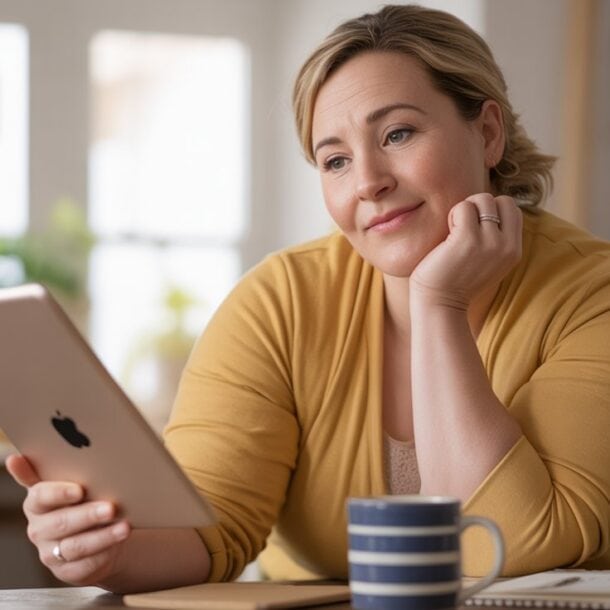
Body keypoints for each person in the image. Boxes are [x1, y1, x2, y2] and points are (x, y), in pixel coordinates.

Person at [6, 3, 610, 594]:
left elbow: (516, 550)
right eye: (336, 160)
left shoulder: (592, 295)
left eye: (398, 133)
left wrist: (438, 307)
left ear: (487, 133)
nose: (369, 181)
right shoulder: (279, 302)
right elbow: (206, 532)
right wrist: (107, 550)